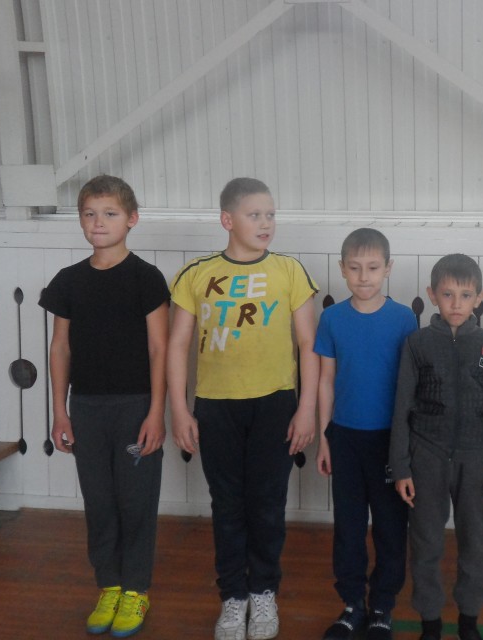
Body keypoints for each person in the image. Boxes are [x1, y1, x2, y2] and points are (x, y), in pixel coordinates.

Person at [167, 177, 319, 640]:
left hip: (276, 405)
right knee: (228, 505)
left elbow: (308, 345)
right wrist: (180, 410)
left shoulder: (290, 271)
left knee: (267, 505)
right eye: (255, 215)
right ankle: (233, 597)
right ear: (227, 220)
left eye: (270, 214)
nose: (266, 223)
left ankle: (263, 592)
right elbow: (177, 346)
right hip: (216, 407)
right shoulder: (196, 274)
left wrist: (306, 409)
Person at [40, 175, 170, 638]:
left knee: (135, 503)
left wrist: (156, 412)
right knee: (99, 502)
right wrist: (60, 411)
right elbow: (60, 348)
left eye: (110, 213)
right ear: (80, 220)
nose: (99, 222)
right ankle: (109, 586)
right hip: (86, 408)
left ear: (131, 219)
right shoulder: (68, 281)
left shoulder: (146, 278)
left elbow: (159, 348)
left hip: (135, 407)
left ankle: (135, 589)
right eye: (90, 214)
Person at [389, 254, 483, 640]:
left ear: (479, 298)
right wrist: (401, 467)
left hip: (476, 462)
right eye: (447, 294)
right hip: (426, 458)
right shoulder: (417, 344)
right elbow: (402, 407)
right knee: (425, 542)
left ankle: (468, 621)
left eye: (466, 295)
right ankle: (429, 621)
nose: (456, 303)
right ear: (432, 295)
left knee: (474, 544)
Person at [315, 228, 417, 640]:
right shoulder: (332, 318)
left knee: (391, 528)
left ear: (388, 268)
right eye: (355, 268)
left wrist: (407, 447)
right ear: (342, 269)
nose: (363, 276)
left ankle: (382, 608)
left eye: (373, 268)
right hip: (345, 439)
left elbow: (410, 385)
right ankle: (353, 604)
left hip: (390, 442)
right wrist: (324, 437)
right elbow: (325, 381)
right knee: (349, 527)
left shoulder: (404, 319)